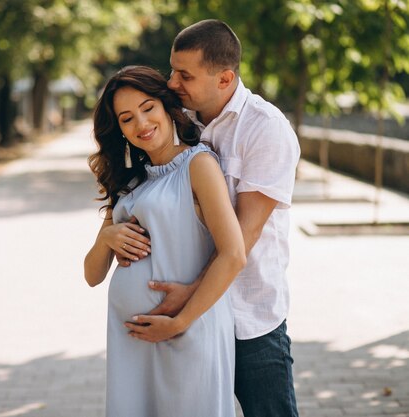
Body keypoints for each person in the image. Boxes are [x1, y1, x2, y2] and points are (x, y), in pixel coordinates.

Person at [121, 20, 301, 417]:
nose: (171, 83)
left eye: (185, 75)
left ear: (225, 79)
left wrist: (188, 301)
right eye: (172, 70)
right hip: (189, 324)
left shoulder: (266, 130)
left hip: (248, 319)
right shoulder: (180, 119)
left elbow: (242, 239)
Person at [84, 65, 246, 417]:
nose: (141, 124)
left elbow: (233, 254)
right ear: (120, 131)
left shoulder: (198, 165)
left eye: (148, 108)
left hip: (189, 328)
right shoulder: (129, 184)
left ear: (167, 106)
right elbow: (92, 274)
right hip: (132, 343)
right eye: (127, 119)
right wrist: (107, 237)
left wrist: (179, 322)